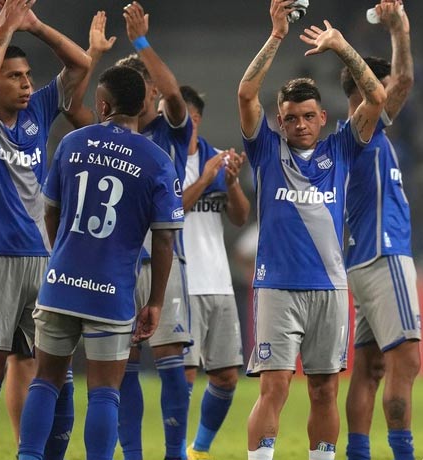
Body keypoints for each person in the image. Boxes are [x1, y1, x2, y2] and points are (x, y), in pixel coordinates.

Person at [237, 0, 387, 458]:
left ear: (323, 118)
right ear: (279, 121)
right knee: (275, 387)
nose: (299, 124)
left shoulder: (342, 149)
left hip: (329, 288)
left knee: (324, 390)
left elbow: (377, 97)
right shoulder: (266, 150)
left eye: (308, 116)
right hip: (278, 288)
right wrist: (277, 34)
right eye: (291, 117)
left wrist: (341, 46)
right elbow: (246, 93)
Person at [15, 65, 182, 460]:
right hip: (111, 291)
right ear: (144, 105)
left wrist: (64, 254)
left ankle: (28, 456)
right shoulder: (157, 161)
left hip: (60, 283)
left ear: (103, 104)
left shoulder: (73, 143)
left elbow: (50, 213)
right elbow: (164, 238)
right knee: (105, 391)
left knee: (45, 380)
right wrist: (155, 301)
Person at [0, 0, 89, 457]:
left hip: (44, 260)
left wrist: (33, 25)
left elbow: (80, 62)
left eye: (29, 75)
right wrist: (5, 31)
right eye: (16, 76)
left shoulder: (38, 113)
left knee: (57, 373)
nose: (28, 83)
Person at [100, 4, 195, 459]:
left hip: (162, 260)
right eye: (145, 86)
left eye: (153, 85)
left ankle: (174, 454)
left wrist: (141, 42)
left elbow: (177, 98)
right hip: (115, 261)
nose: (155, 93)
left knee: (174, 366)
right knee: (123, 370)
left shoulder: (170, 131)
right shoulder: (106, 136)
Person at [337, 2, 419, 459]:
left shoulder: (354, 135)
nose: (390, 88)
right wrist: (399, 28)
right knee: (406, 361)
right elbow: (403, 80)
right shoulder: (363, 128)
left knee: (368, 369)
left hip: (362, 260)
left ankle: (359, 453)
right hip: (383, 254)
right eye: (379, 83)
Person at [179, 85, 250, 460]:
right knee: (184, 377)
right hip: (180, 281)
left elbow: (240, 217)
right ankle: (174, 451)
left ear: (198, 119)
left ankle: (199, 450)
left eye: (186, 119)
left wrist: (232, 182)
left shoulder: (215, 159)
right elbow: (168, 213)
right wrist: (206, 179)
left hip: (219, 282)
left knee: (225, 377)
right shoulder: (162, 159)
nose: (178, 125)